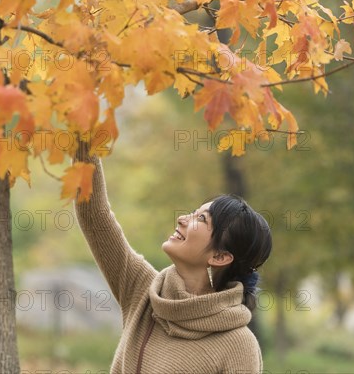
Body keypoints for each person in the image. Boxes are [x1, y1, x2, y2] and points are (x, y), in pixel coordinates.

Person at [73, 142, 272, 373]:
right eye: (193, 212)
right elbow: (94, 214)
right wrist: (84, 134)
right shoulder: (142, 289)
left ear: (220, 256)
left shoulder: (238, 344)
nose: (182, 219)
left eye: (202, 219)